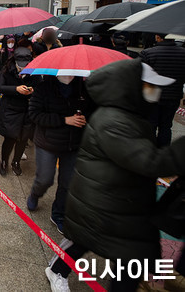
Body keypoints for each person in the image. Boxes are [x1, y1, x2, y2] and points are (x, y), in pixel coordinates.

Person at [45, 60, 185, 292]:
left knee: (91, 242)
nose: (155, 92)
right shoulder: (114, 121)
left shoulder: (127, 116)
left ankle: (58, 268)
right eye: (150, 86)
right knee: (124, 254)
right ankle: (58, 269)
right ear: (133, 88)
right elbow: (150, 161)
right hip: (104, 202)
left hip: (114, 200)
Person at [27, 73, 92, 235]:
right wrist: (64, 119)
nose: (67, 75)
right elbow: (35, 115)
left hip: (73, 144)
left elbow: (93, 111)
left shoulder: (84, 90)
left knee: (68, 183)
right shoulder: (44, 88)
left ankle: (58, 214)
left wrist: (85, 118)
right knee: (45, 178)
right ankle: (36, 193)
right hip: (47, 142)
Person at [140, 33, 185, 147]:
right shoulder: (183, 53)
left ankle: (150, 149)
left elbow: (140, 74)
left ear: (158, 37)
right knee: (166, 125)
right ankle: (164, 150)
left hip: (152, 95)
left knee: (151, 124)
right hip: (174, 95)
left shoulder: (148, 53)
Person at [0, 47, 35, 176]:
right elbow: (0, 87)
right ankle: (4, 161)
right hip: (11, 108)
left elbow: (39, 86)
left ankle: (16, 162)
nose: (22, 67)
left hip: (27, 109)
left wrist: (33, 90)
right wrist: (16, 89)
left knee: (23, 138)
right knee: (10, 137)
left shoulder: (34, 71)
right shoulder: (7, 70)